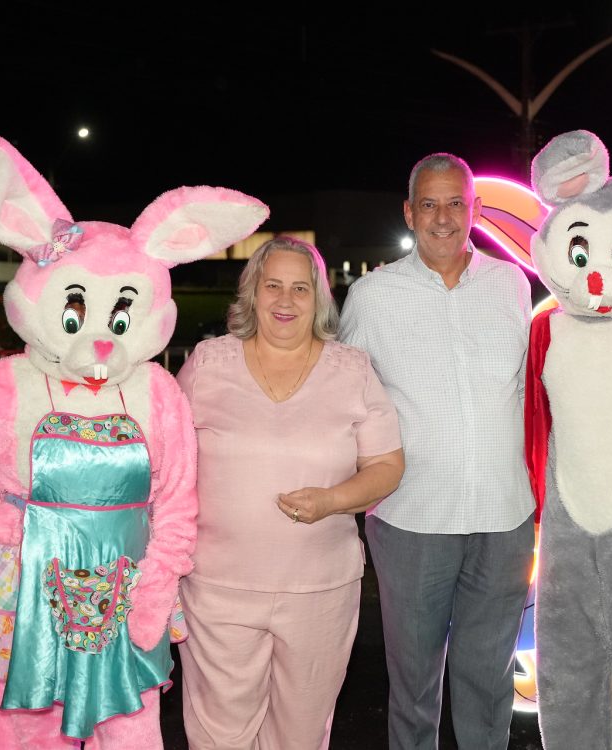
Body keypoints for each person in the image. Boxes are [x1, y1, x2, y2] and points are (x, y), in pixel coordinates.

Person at [175, 236, 404, 749]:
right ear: (251, 293)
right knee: (218, 733)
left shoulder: (352, 370)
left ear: (319, 298)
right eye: (272, 285)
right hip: (217, 588)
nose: (285, 300)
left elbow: (388, 465)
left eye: (300, 288)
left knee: (299, 735)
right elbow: (164, 460)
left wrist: (333, 499)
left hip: (319, 591)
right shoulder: (208, 365)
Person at [338, 154, 535, 749]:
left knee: (489, 682)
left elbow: (531, 387)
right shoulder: (373, 297)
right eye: (429, 203)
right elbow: (341, 398)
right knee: (415, 686)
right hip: (411, 518)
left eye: (456, 203)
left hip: (504, 517)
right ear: (409, 211)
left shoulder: (512, 285)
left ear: (475, 210)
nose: (443, 218)